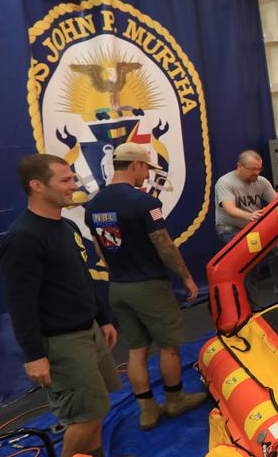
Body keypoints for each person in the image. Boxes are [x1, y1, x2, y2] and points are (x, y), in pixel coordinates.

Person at [0, 154, 122, 457]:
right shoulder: (23, 238)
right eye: (65, 180)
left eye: (72, 178)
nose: (74, 185)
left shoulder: (67, 227)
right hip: (63, 343)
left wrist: (103, 319)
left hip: (88, 331)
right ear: (37, 186)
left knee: (96, 409)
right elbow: (20, 301)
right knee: (83, 417)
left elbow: (82, 278)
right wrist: (34, 355)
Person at [84, 142, 206, 431]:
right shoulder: (144, 202)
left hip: (118, 286)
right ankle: (175, 400)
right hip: (149, 286)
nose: (146, 176)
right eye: (146, 169)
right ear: (136, 165)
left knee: (136, 350)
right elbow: (164, 244)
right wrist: (186, 277)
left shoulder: (94, 205)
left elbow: (102, 250)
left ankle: (147, 409)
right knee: (169, 346)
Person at [214, 150, 278, 305]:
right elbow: (229, 208)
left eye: (259, 169)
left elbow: (277, 203)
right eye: (252, 169)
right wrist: (250, 216)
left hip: (253, 228)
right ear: (239, 167)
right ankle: (248, 304)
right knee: (249, 259)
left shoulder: (261, 181)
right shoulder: (225, 182)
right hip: (229, 227)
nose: (256, 173)